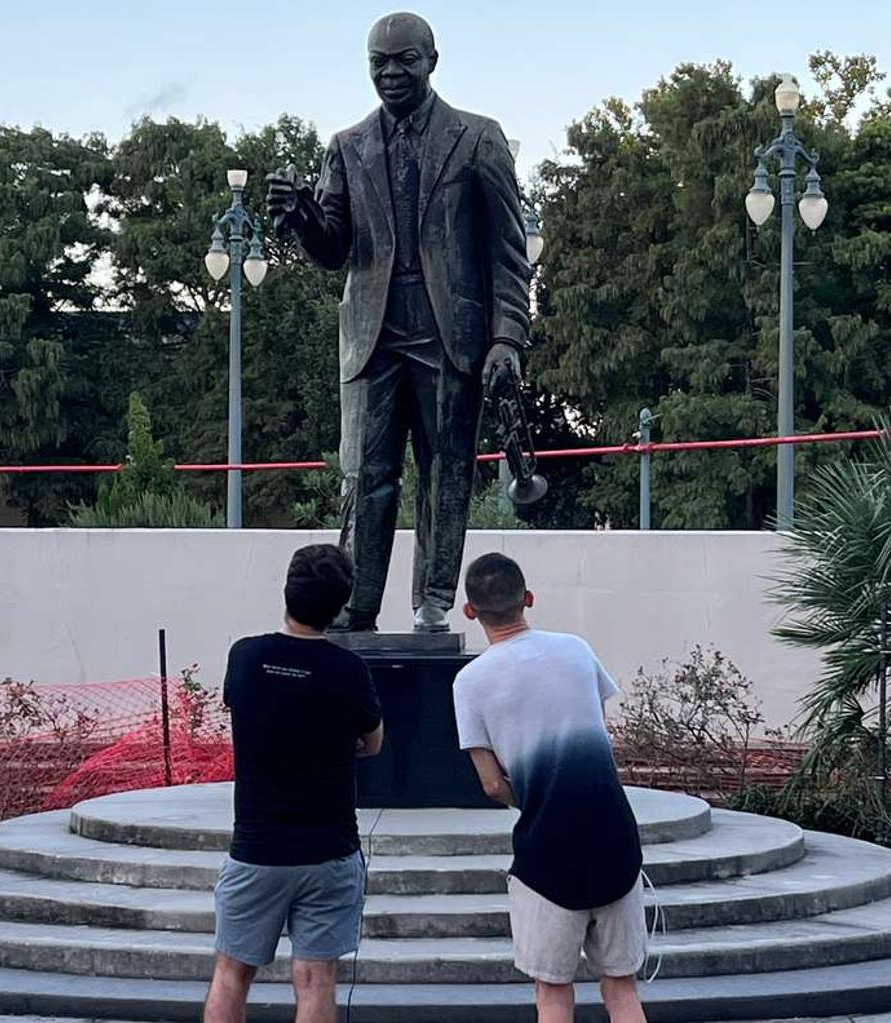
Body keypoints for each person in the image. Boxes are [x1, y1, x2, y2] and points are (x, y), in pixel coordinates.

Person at [265, 11, 532, 634]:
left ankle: (433, 601)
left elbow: (508, 254)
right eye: (378, 62)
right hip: (372, 338)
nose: (390, 72)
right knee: (366, 475)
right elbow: (336, 250)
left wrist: (507, 337)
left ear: (432, 60)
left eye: (403, 60)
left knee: (446, 474)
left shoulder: (477, 139)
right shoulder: (347, 145)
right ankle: (358, 605)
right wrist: (304, 217)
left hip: (450, 337)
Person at [452, 552, 648, 1023]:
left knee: (552, 993)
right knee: (622, 989)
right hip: (616, 839)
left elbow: (492, 785)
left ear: (469, 611)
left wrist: (530, 795)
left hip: (546, 851)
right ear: (530, 598)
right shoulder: (576, 649)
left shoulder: (469, 682)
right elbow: (601, 735)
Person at [203, 543, 385, 1023]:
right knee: (315, 978)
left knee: (231, 972)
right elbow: (375, 742)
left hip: (257, 848)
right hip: (329, 850)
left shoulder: (246, 657)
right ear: (341, 605)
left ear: (287, 592)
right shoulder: (349, 670)